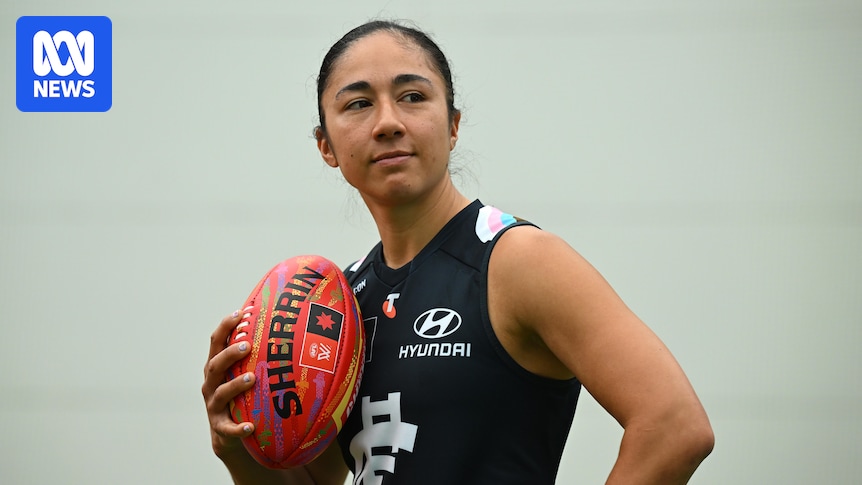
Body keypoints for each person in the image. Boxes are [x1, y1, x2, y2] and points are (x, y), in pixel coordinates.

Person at [202, 20, 714, 485]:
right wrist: (238, 446)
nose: (387, 122)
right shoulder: (339, 305)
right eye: (358, 104)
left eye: (413, 96)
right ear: (326, 147)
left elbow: (674, 426)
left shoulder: (518, 260)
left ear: (453, 125)